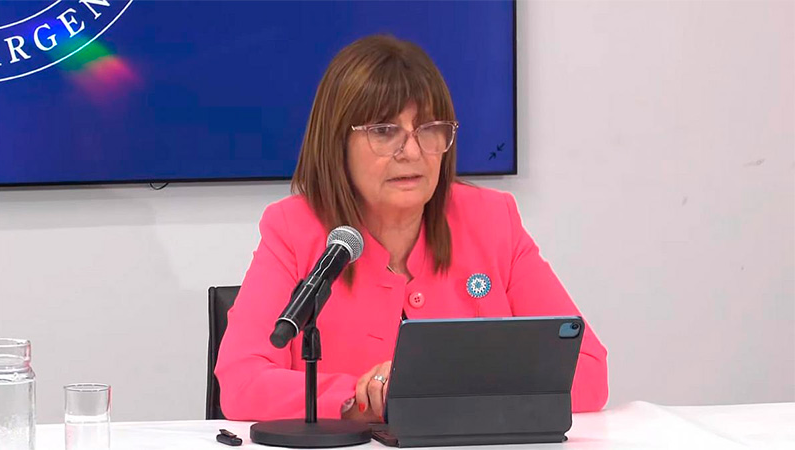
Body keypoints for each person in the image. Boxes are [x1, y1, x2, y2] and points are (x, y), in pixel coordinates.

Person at [215, 35, 608, 423]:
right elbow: (242, 382)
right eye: (384, 131)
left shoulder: (491, 220)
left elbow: (586, 367)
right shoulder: (294, 229)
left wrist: (433, 389)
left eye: (429, 129)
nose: (413, 152)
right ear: (337, 143)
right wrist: (357, 400)